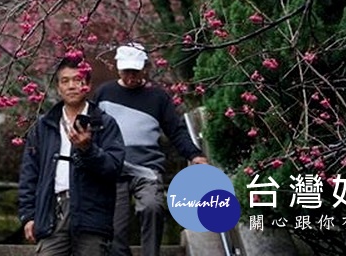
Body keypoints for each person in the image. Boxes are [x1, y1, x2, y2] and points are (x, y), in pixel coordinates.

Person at [91, 43, 207, 256]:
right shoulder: (104, 93)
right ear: (118, 68)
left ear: (145, 68)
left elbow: (176, 130)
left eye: (136, 71)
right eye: (127, 72)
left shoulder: (158, 97)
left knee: (152, 207)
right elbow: (93, 130)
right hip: (114, 168)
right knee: (116, 225)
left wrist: (194, 154)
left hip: (147, 167)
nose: (131, 77)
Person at [19, 55, 124, 256]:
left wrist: (88, 149)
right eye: (65, 81)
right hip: (52, 212)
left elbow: (114, 168)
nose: (71, 86)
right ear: (58, 87)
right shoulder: (44, 125)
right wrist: (28, 215)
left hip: (91, 212)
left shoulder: (104, 123)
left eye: (78, 80)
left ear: (88, 84)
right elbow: (29, 173)